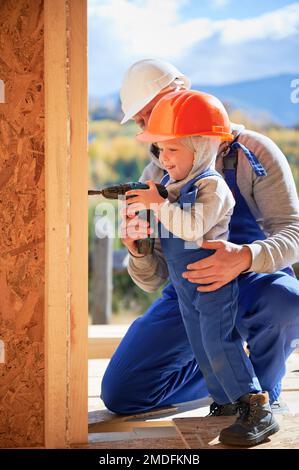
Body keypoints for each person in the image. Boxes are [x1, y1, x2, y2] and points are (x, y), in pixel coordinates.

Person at [101, 59, 299, 422]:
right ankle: (226, 373)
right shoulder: (157, 174)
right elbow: (153, 278)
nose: (153, 131)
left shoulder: (255, 152)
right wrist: (139, 253)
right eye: (144, 121)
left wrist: (244, 257)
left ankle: (259, 393)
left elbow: (293, 233)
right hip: (189, 290)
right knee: (123, 392)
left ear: (181, 94)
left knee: (287, 300)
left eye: (153, 112)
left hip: (255, 284)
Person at [126, 88, 280, 446]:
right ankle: (225, 402)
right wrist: (140, 244)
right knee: (200, 344)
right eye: (160, 150)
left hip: (213, 285)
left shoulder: (212, 187)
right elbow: (164, 241)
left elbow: (192, 227)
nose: (163, 159)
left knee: (219, 341)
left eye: (172, 150)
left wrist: (159, 204)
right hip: (184, 287)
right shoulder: (170, 186)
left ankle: (255, 407)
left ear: (204, 148)